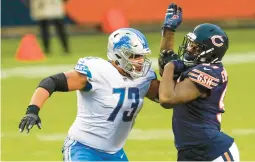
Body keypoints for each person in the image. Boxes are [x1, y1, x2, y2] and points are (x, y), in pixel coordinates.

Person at [18, 28, 160, 161]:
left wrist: (171, 68)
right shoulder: (99, 71)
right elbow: (51, 82)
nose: (140, 61)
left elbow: (167, 98)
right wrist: (32, 110)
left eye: (141, 56)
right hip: (83, 149)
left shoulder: (144, 78)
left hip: (115, 153)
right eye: (134, 56)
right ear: (118, 55)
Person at [158, 3, 240, 161]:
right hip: (191, 151)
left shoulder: (210, 72)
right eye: (191, 45)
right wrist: (169, 30)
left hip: (212, 152)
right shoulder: (197, 66)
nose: (189, 50)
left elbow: (167, 98)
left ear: (209, 52)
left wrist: (170, 66)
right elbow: (166, 69)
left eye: (195, 47)